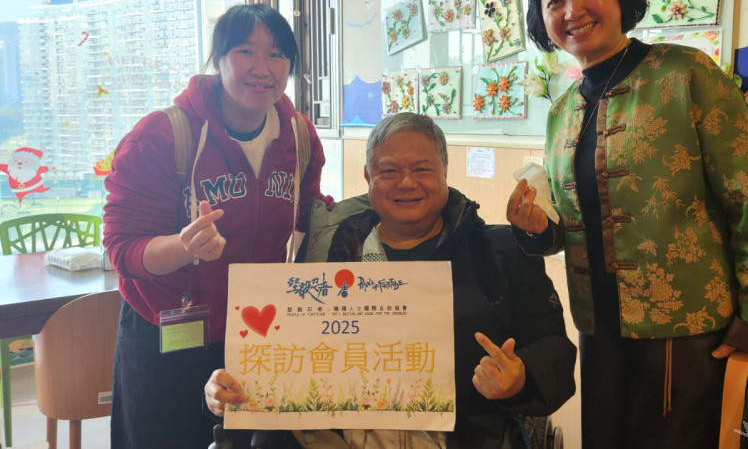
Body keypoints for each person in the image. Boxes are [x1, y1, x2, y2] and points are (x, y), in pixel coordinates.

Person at [505, 0, 748, 448]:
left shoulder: (687, 75)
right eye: (554, 0)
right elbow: (577, 220)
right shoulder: (563, 111)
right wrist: (539, 229)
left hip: (688, 335)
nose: (572, 10)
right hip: (599, 332)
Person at [205, 112, 577, 448]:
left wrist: (519, 379)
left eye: (423, 169)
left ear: (445, 172)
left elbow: (555, 354)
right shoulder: (327, 255)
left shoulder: (502, 253)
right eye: (388, 171)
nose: (406, 182)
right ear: (368, 177)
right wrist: (230, 388)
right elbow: (279, 356)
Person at [103, 3, 328, 449]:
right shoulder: (161, 135)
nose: (263, 68)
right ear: (218, 58)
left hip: (256, 333)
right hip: (167, 336)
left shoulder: (298, 135)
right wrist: (183, 247)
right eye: (246, 51)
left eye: (277, 54)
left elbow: (311, 215)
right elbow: (122, 250)